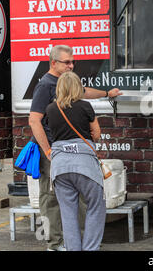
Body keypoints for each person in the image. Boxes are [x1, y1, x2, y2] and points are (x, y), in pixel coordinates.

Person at [28, 45, 121, 251]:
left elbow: (84, 92)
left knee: (73, 202)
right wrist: (48, 151)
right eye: (67, 62)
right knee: (50, 199)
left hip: (62, 154)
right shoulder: (45, 86)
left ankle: (76, 244)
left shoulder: (66, 83)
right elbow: (34, 121)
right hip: (53, 151)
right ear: (54, 63)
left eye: (72, 62)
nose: (71, 65)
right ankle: (54, 243)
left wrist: (107, 92)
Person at [46, 71, 105, 251]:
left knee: (68, 213)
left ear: (60, 88)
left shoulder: (50, 109)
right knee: (96, 206)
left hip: (60, 167)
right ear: (78, 87)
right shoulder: (85, 106)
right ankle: (90, 248)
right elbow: (96, 134)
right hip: (85, 165)